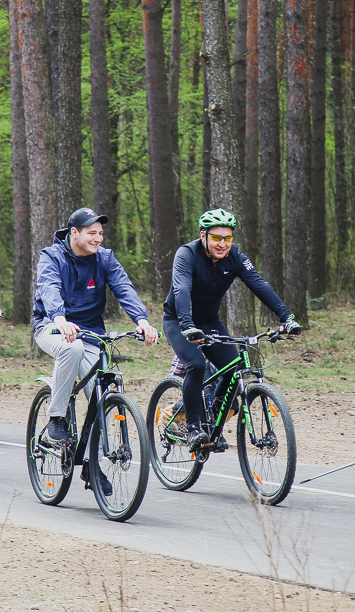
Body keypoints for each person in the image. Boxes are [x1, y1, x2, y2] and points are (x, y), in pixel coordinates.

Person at [32, 207, 158, 495]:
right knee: (72, 348)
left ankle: (91, 463)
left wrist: (142, 321)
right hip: (51, 326)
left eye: (101, 233)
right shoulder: (52, 256)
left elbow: (124, 288)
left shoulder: (105, 258)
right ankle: (56, 418)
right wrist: (60, 318)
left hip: (91, 332)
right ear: (74, 233)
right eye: (92, 233)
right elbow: (49, 288)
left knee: (101, 395)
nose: (98, 238)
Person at [163, 208, 301, 450]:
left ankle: (213, 420)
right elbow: (181, 289)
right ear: (203, 235)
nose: (222, 244)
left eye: (228, 238)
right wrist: (187, 325)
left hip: (209, 321)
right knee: (196, 365)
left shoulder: (235, 257)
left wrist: (286, 317)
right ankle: (193, 428)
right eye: (217, 237)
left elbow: (259, 285)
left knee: (233, 367)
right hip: (179, 320)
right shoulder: (187, 254)